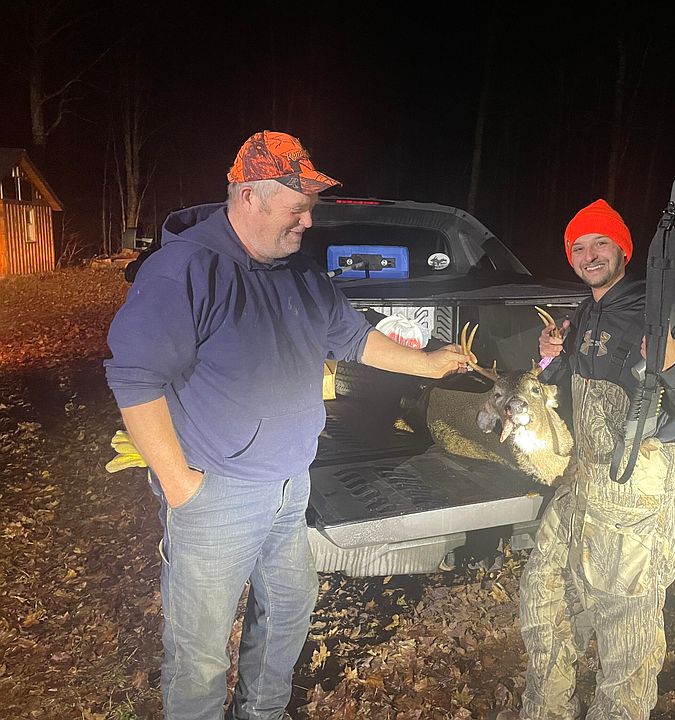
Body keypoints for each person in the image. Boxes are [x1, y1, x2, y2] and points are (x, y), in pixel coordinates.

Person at [104, 130, 470, 720]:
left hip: (290, 488)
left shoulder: (300, 273)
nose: (309, 221)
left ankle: (261, 713)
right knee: (200, 656)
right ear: (250, 196)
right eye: (298, 207)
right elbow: (135, 380)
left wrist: (427, 363)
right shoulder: (185, 271)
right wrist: (180, 485)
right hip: (216, 493)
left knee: (287, 613)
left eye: (310, 208)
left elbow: (355, 339)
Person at [490, 199, 675, 720]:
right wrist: (550, 357)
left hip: (635, 500)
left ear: (623, 250)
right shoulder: (583, 313)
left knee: (626, 641)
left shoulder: (663, 314)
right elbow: (562, 388)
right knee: (544, 598)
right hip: (582, 483)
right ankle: (547, 711)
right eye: (578, 246)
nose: (589, 255)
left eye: (600, 243)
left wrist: (673, 363)